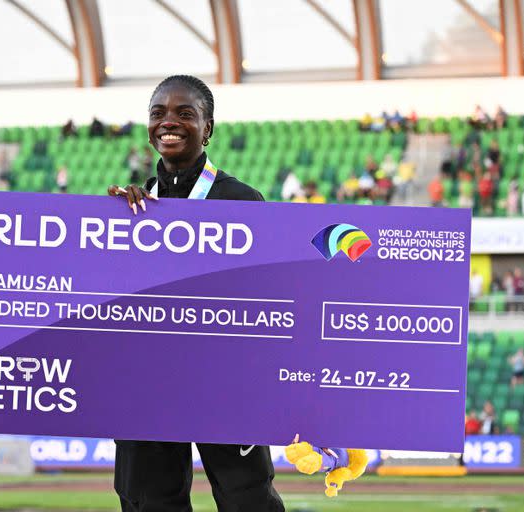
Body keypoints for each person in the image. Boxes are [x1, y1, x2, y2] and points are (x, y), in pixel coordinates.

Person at [106, 75, 365, 511]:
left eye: (185, 113)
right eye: (158, 114)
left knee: (246, 497)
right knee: (147, 499)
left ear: (208, 128)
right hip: (147, 380)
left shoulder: (242, 200)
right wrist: (107, 224)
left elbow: (274, 294)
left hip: (225, 378)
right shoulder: (129, 207)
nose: (169, 122)